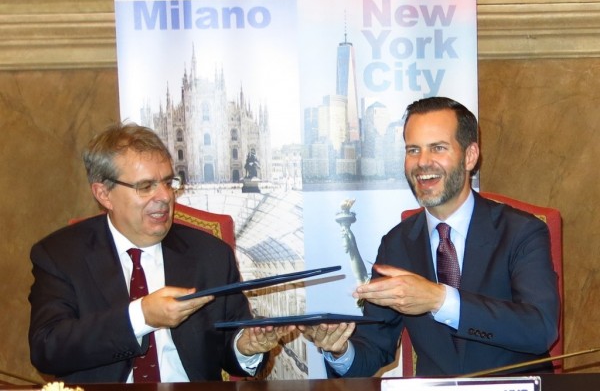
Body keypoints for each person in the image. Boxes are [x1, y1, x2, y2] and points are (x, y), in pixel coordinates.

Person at [300, 96, 560, 377]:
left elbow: (540, 329)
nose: (422, 162)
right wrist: (339, 350)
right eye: (413, 150)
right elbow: (374, 348)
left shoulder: (522, 231)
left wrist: (439, 299)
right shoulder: (396, 244)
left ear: (470, 156)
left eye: (437, 148)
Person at [29, 123, 292, 383]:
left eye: (168, 182)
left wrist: (245, 347)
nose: (165, 196)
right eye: (146, 186)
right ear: (104, 194)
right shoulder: (60, 255)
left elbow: (230, 340)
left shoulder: (210, 254)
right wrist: (141, 316)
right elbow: (47, 349)